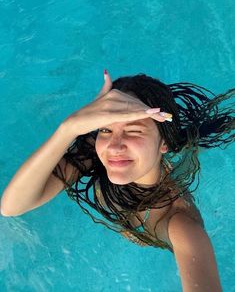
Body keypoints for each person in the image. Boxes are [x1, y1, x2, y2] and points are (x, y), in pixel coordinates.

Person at [1, 70, 234, 291]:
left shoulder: (180, 223)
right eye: (105, 130)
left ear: (164, 143)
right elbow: (12, 206)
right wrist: (69, 127)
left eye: (134, 131)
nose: (114, 146)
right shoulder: (94, 153)